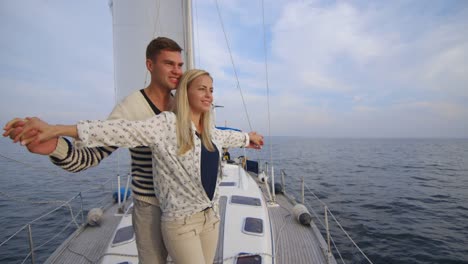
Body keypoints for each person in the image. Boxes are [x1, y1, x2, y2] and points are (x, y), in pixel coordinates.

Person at [5, 69, 264, 264]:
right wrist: (57, 129)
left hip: (211, 218)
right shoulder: (165, 125)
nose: (209, 95)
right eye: (202, 89)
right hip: (181, 223)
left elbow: (228, 136)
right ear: (185, 93)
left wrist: (248, 138)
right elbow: (118, 130)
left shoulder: (209, 131)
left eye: (211, 89)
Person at [3, 36, 184, 264]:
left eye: (179, 65)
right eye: (169, 63)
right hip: (150, 207)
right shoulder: (131, 108)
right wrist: (54, 146)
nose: (177, 70)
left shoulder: (183, 104)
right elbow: (90, 157)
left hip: (182, 207)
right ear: (150, 65)